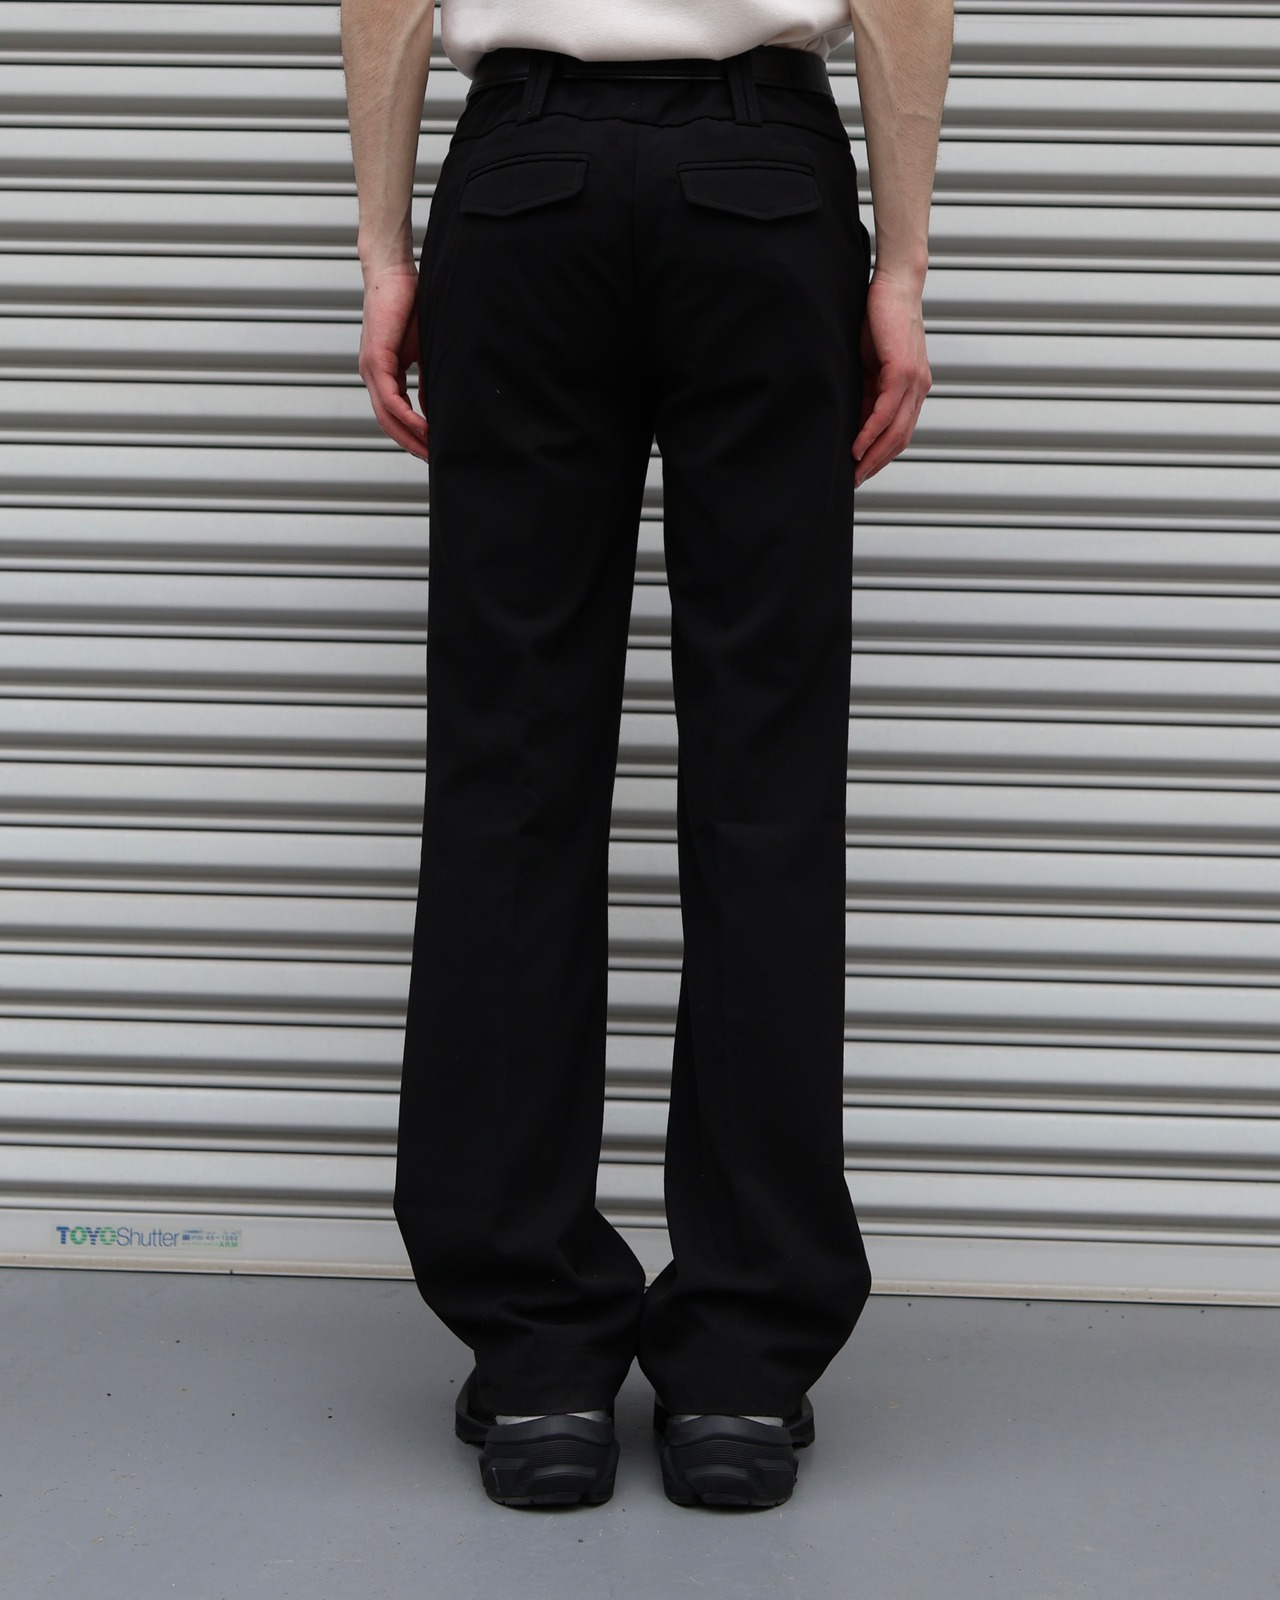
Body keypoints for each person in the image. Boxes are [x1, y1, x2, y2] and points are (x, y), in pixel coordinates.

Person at [340, 0, 951, 1510]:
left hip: (522, 185)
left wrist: (386, 254)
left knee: (511, 765)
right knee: (768, 770)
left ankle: (538, 1359)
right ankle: (739, 1366)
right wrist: (900, 271)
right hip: (764, 188)